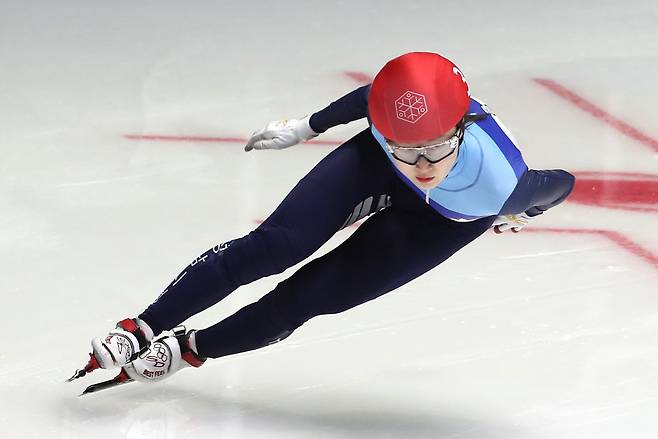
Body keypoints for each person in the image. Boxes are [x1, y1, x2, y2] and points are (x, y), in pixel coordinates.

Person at [73, 52, 575, 389]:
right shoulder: (389, 119)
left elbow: (563, 182)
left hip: (444, 222)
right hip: (374, 168)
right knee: (274, 246)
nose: (423, 166)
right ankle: (140, 328)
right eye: (406, 148)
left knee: (308, 298)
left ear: (462, 129)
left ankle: (189, 351)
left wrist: (528, 208)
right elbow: (368, 98)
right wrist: (306, 128)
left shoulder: (499, 183)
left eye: (436, 148)